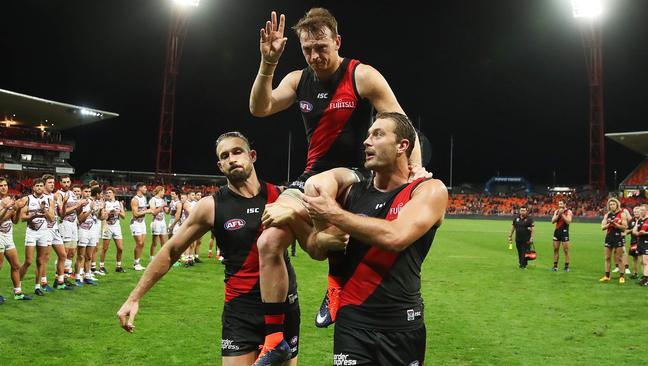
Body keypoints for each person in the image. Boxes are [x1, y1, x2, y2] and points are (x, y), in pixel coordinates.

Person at [249, 8, 429, 349]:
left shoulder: (361, 75)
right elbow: (260, 108)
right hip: (313, 173)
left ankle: (335, 284)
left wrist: (414, 173)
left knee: (320, 187)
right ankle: (275, 339)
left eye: (321, 47)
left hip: (358, 173)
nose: (315, 56)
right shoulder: (297, 79)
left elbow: (402, 124)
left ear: (337, 41)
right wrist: (267, 64)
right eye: (307, 50)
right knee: (268, 239)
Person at [117, 132, 302, 366]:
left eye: (237, 151)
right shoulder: (211, 206)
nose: (232, 159)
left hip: (282, 306)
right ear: (220, 165)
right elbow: (171, 251)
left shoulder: (280, 196)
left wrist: (296, 214)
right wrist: (134, 298)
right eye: (225, 156)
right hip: (240, 309)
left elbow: (315, 243)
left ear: (252, 156)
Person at [301, 113, 448, 365]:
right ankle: (333, 284)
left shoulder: (428, 190)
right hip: (353, 323)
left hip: (402, 323)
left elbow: (397, 237)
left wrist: (334, 214)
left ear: (402, 146)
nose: (366, 142)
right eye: (367, 135)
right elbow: (316, 186)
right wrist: (322, 236)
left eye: (378, 134)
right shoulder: (352, 190)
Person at [18, 178, 55, 296]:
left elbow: (52, 218)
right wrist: (33, 215)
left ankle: (37, 287)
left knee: (40, 261)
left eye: (41, 186)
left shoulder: (49, 200)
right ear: (33, 187)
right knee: (28, 261)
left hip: (44, 232)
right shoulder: (27, 199)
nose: (39, 188)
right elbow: (22, 217)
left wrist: (44, 209)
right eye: (37, 186)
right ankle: (17, 285)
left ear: (43, 187)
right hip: (31, 232)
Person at [0, 177, 30, 301]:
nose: (4, 187)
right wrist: (8, 208)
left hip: (8, 237)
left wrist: (17, 210)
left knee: (16, 265)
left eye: (5, 185)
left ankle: (18, 292)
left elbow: (16, 221)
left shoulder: (10, 200)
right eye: (1, 185)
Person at [600, 198, 628, 283]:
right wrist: (609, 224)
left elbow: (625, 227)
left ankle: (622, 276)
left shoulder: (622, 214)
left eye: (613, 204)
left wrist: (616, 225)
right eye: (610, 204)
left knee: (619, 258)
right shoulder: (607, 215)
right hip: (609, 237)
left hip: (618, 237)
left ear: (617, 205)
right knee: (607, 257)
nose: (612, 206)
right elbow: (602, 227)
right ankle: (607, 276)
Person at [130, 183, 157, 271]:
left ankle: (138, 262)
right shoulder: (135, 199)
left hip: (142, 223)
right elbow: (135, 214)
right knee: (140, 243)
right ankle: (135, 263)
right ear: (139, 188)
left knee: (142, 244)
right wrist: (147, 211)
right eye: (145, 187)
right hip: (135, 223)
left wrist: (149, 210)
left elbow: (143, 210)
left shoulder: (144, 198)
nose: (146, 189)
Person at [100, 187, 126, 273]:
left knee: (120, 248)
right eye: (107, 193)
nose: (108, 194)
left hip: (117, 226)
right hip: (107, 226)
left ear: (114, 194)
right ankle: (101, 266)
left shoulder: (119, 203)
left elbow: (123, 216)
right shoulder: (104, 203)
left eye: (110, 192)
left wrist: (118, 212)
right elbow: (102, 216)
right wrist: (109, 212)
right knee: (105, 248)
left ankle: (118, 266)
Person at [550, 199, 572, 272]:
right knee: (555, 249)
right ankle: (555, 266)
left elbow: (568, 221)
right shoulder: (556, 211)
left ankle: (566, 267)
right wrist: (559, 214)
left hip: (564, 232)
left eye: (561, 204)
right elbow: (552, 221)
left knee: (566, 250)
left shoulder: (568, 212)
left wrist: (562, 214)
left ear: (565, 204)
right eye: (559, 204)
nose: (560, 205)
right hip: (557, 232)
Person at [148, 186, 169, 261]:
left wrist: (170, 208)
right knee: (154, 242)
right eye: (163, 191)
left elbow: (166, 212)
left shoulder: (162, 200)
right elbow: (154, 212)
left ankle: (163, 257)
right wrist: (162, 206)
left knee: (164, 242)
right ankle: (152, 258)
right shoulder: (152, 200)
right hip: (156, 222)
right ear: (159, 191)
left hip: (162, 222)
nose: (164, 193)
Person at [633, 204, 648, 286]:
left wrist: (645, 233)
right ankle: (644, 277)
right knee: (642, 261)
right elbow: (634, 230)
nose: (641, 211)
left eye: (642, 210)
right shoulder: (639, 220)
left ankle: (645, 280)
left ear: (647, 210)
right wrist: (637, 233)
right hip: (640, 242)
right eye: (640, 210)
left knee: (646, 261)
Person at [627, 206, 642, 279]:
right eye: (635, 212)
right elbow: (626, 231)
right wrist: (632, 230)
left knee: (643, 259)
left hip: (643, 242)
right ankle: (635, 273)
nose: (636, 213)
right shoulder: (631, 221)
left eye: (638, 212)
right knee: (635, 258)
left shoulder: (644, 220)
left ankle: (645, 275)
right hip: (633, 242)